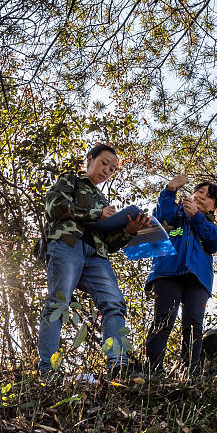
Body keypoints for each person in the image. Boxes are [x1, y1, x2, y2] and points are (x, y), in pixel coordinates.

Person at [37, 143, 150, 380]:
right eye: (104, 163)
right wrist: (95, 214)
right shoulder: (71, 180)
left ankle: (118, 366)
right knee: (58, 302)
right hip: (67, 245)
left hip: (96, 255)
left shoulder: (103, 199)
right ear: (90, 159)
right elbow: (55, 207)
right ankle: (48, 371)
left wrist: (129, 229)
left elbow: (109, 242)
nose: (107, 171)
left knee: (114, 303)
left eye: (112, 169)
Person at [144, 173, 217, 377]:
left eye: (207, 195)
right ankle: (152, 370)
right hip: (167, 271)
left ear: (213, 207)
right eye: (199, 191)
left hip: (197, 278)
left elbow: (215, 243)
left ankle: (189, 371)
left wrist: (196, 217)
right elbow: (161, 215)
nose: (201, 195)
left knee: (193, 323)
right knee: (163, 317)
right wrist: (170, 188)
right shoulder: (175, 213)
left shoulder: (211, 226)